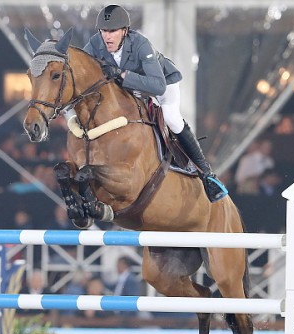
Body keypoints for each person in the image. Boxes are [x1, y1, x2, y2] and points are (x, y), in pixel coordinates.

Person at [83, 4, 227, 203]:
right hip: (131, 90)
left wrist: (122, 75)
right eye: (104, 31)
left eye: (113, 31)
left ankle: (207, 175)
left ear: (124, 31)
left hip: (162, 83)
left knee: (171, 118)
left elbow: (157, 86)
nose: (107, 37)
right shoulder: (94, 44)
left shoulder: (141, 44)